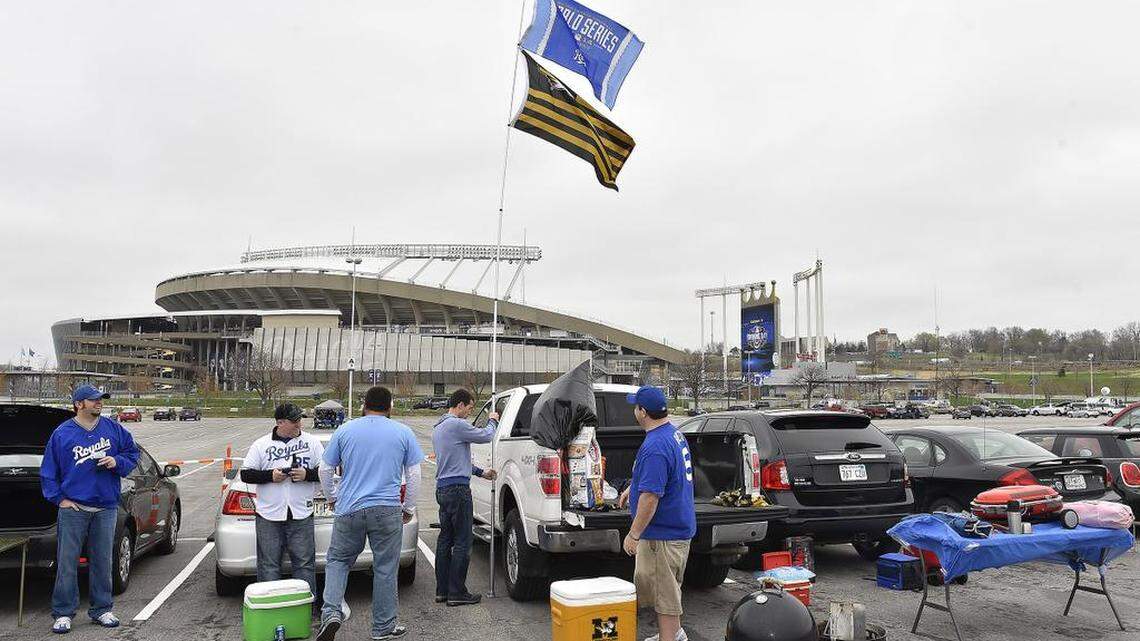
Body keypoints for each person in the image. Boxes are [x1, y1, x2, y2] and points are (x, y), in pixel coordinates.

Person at [316, 386, 423, 641]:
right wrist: (408, 508)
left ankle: (331, 613)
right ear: (390, 406)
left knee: (338, 560)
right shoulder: (403, 432)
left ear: (364, 405)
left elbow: (325, 469)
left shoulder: (345, 430)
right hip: (387, 509)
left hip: (350, 508)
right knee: (385, 567)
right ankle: (383, 627)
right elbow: (414, 474)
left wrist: (332, 498)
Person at [39, 384, 140, 635]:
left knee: (103, 561)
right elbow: (48, 471)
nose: (99, 402)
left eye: (100, 399)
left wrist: (117, 461)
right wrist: (59, 499)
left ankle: (102, 609)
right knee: (67, 562)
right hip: (74, 508)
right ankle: (63, 613)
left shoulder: (113, 429)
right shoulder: (62, 433)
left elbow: (132, 452)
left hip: (106, 507)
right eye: (93, 399)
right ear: (79, 404)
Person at [618, 386, 696, 641]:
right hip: (676, 526)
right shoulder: (672, 434)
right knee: (666, 587)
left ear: (643, 412)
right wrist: (633, 487)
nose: (634, 410)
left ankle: (669, 638)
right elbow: (661, 476)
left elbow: (651, 497)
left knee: (665, 594)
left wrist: (633, 535)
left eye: (636, 406)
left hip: (664, 533)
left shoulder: (655, 446)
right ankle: (673, 633)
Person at [239, 403, 324, 598]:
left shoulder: (311, 442)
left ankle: (305, 607)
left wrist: (306, 474)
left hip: (301, 512)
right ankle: (272, 607)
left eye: (299, 420)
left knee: (304, 564)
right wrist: (270, 476)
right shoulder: (261, 444)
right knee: (268, 565)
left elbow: (325, 471)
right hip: (269, 514)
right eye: (294, 421)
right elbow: (246, 474)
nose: (298, 424)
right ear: (280, 423)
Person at [431, 388, 498, 606]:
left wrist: (481, 472)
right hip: (458, 491)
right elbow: (487, 435)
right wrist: (492, 420)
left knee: (445, 539)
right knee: (462, 540)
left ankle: (443, 590)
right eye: (469, 408)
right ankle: (457, 592)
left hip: (443, 489)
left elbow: (457, 460)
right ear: (459, 405)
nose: (469, 413)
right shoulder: (456, 425)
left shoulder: (439, 427)